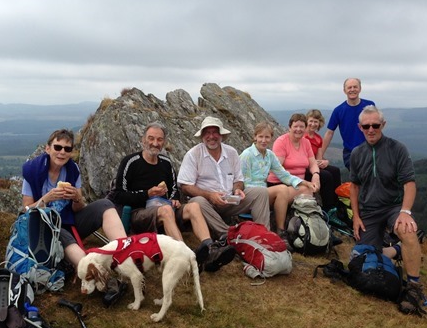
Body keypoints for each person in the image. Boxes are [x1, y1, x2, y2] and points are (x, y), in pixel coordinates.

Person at [108, 122, 236, 272]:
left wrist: (175, 198)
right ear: (143, 140)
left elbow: (174, 188)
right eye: (151, 138)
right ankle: (185, 257)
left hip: (165, 209)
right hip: (139, 214)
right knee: (166, 210)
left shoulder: (166, 163)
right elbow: (117, 195)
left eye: (159, 140)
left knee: (194, 206)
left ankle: (210, 249)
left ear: (164, 142)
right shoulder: (131, 162)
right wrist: (146, 194)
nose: (155, 143)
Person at [21, 128, 128, 304]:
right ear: (48, 149)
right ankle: (106, 280)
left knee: (105, 204)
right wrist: (46, 199)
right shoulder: (32, 171)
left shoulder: (72, 170)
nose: (62, 152)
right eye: (58, 147)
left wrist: (77, 198)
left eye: (67, 149)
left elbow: (78, 208)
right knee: (58, 231)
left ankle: (126, 256)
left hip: (70, 221)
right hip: (45, 227)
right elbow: (26, 209)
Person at [349, 105, 427, 316]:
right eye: (366, 126)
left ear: (383, 125)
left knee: (408, 232)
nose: (371, 129)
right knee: (363, 256)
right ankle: (398, 250)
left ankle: (413, 286)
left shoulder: (397, 149)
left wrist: (405, 212)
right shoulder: (357, 154)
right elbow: (354, 187)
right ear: (360, 127)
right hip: (369, 210)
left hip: (394, 207)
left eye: (375, 125)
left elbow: (409, 183)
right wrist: (356, 216)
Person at [177, 116, 271, 245]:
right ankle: (228, 235)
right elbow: (185, 186)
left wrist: (237, 189)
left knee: (261, 192)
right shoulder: (193, 154)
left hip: (230, 200)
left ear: (221, 135)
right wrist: (210, 196)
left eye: (215, 132)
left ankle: (263, 237)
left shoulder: (231, 152)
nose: (211, 136)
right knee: (197, 202)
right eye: (207, 132)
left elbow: (238, 179)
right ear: (202, 135)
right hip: (207, 204)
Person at [240, 122, 316, 239]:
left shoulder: (269, 155)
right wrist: (261, 192)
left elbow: (284, 175)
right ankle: (281, 230)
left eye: (267, 137)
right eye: (260, 137)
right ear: (255, 137)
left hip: (264, 193)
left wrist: (304, 182)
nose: (263, 140)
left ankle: (305, 227)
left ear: (271, 138)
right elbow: (243, 182)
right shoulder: (247, 155)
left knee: (305, 189)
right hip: (249, 195)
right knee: (282, 189)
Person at [318, 78, 375, 170]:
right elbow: (329, 133)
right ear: (344, 90)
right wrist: (320, 155)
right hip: (351, 153)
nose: (352, 89)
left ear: (360, 89)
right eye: (349, 87)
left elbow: (377, 126)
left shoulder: (370, 106)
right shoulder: (338, 110)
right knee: (360, 177)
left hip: (371, 149)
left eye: (355, 87)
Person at [267, 113, 322, 200]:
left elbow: (313, 163)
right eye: (295, 126)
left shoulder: (306, 142)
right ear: (290, 127)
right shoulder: (281, 142)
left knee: (323, 178)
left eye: (302, 127)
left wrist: (316, 175)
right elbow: (278, 169)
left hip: (297, 183)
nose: (298, 129)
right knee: (307, 190)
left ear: (305, 128)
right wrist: (302, 183)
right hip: (280, 183)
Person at [305, 109, 342, 210]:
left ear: (319, 123)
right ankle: (328, 208)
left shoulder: (318, 139)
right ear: (306, 121)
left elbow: (319, 157)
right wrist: (314, 163)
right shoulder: (302, 136)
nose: (313, 124)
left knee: (335, 171)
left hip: (314, 165)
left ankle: (337, 204)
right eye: (311, 121)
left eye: (316, 121)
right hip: (305, 167)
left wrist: (325, 162)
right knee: (326, 176)